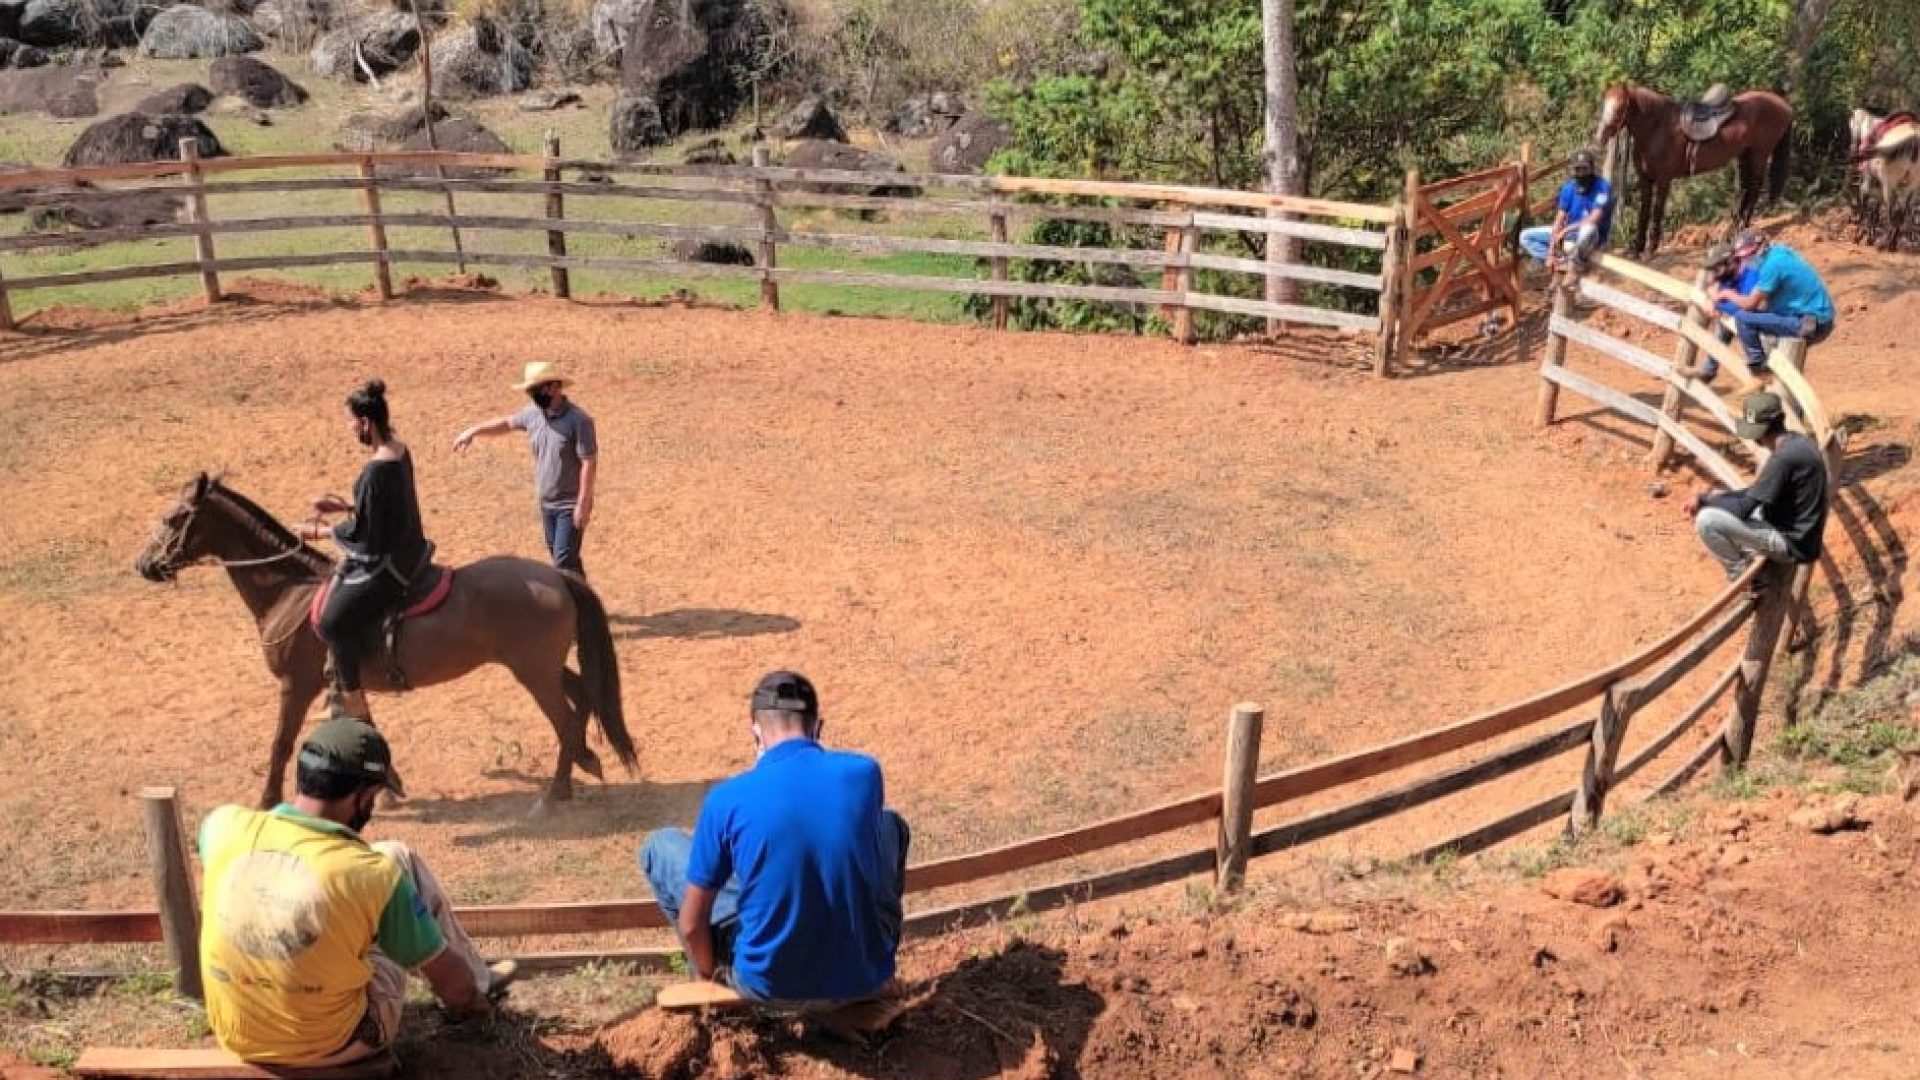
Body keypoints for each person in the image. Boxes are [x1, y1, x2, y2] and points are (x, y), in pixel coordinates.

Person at [198, 719, 513, 1067]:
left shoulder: (221, 826)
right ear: (362, 797)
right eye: (374, 797)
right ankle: (480, 988)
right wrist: (470, 1003)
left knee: (386, 864)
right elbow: (449, 983)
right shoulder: (371, 875)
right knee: (396, 874)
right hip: (334, 1044)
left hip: (239, 1036)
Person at [639, 671, 909, 1006]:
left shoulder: (726, 799)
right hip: (863, 978)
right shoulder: (865, 772)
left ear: (756, 733)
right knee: (889, 823)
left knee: (660, 846)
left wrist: (707, 976)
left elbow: (693, 925)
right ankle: (871, 956)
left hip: (768, 986)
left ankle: (706, 984)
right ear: (818, 728)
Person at [300, 380, 431, 722]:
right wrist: (344, 508)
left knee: (330, 620)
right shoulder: (399, 450)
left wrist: (324, 531)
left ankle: (353, 704)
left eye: (351, 422)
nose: (350, 428)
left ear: (366, 423)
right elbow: (383, 511)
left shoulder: (375, 470)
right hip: (410, 548)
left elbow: (370, 538)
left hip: (389, 563)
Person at [452, 362, 599, 576]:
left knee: (563, 562)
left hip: (570, 503)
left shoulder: (579, 421)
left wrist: (583, 504)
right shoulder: (533, 413)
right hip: (547, 503)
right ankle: (587, 605)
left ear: (554, 387)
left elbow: (589, 462)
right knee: (566, 560)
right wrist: (474, 431)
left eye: (536, 390)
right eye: (530, 391)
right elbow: (506, 423)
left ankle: (573, 608)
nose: (533, 396)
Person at [1685, 392, 1829, 581]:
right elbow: (1758, 493)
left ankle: (1746, 578)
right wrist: (1711, 497)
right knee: (1722, 500)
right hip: (1799, 531)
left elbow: (1745, 507)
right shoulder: (1798, 442)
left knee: (1707, 521)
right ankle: (1748, 557)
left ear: (1763, 430)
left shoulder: (1783, 459)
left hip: (1793, 544)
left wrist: (1706, 502)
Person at [1708, 230, 1835, 378]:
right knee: (1759, 321)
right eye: (1742, 257)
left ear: (1759, 248)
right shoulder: (1778, 252)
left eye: (1748, 255)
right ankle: (1768, 373)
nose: (1746, 260)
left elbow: (1749, 304)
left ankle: (1758, 368)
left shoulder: (1771, 266)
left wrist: (1725, 294)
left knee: (1743, 318)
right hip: (1816, 317)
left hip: (1810, 322)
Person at [1520, 148, 1614, 271]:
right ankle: (1557, 261)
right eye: (1577, 169)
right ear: (1573, 170)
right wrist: (1551, 251)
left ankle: (1575, 263)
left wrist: (1567, 229)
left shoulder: (1602, 187)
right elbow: (1559, 218)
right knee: (1525, 236)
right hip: (1571, 235)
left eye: (1584, 169)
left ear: (1592, 168)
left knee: (1588, 228)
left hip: (1593, 236)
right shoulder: (1569, 188)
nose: (1581, 173)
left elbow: (1594, 219)